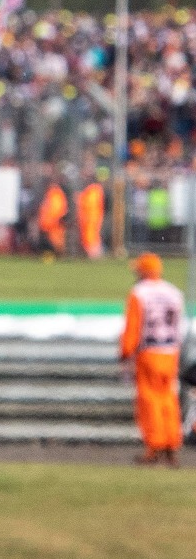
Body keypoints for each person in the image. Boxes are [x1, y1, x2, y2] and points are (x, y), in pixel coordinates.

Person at [119, 251, 186, 465]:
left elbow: (133, 326)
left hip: (149, 351)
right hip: (171, 351)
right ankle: (172, 444)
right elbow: (180, 326)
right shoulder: (174, 292)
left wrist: (125, 352)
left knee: (149, 399)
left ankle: (155, 445)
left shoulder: (139, 293)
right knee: (169, 398)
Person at [37, 179, 68, 256]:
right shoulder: (49, 194)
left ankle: (58, 257)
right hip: (48, 225)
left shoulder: (56, 194)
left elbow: (57, 211)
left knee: (56, 244)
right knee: (49, 244)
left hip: (54, 225)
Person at [76, 178, 106, 259]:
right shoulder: (93, 190)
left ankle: (95, 254)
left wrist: (79, 198)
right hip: (90, 218)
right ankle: (93, 253)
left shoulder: (93, 190)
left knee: (91, 236)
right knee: (90, 236)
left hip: (91, 218)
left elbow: (89, 205)